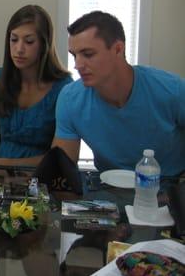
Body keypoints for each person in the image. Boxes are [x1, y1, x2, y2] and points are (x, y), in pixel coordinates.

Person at [52, 11, 185, 175]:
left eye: (88, 54)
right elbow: (61, 173)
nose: (78, 65)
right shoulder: (70, 99)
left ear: (118, 49)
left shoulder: (171, 90)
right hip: (108, 191)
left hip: (172, 189)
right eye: (74, 55)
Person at [0, 5, 72, 165]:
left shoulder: (64, 89)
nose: (19, 49)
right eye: (14, 39)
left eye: (29, 41)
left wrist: (6, 165)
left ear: (44, 44)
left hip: (42, 176)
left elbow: (60, 157)